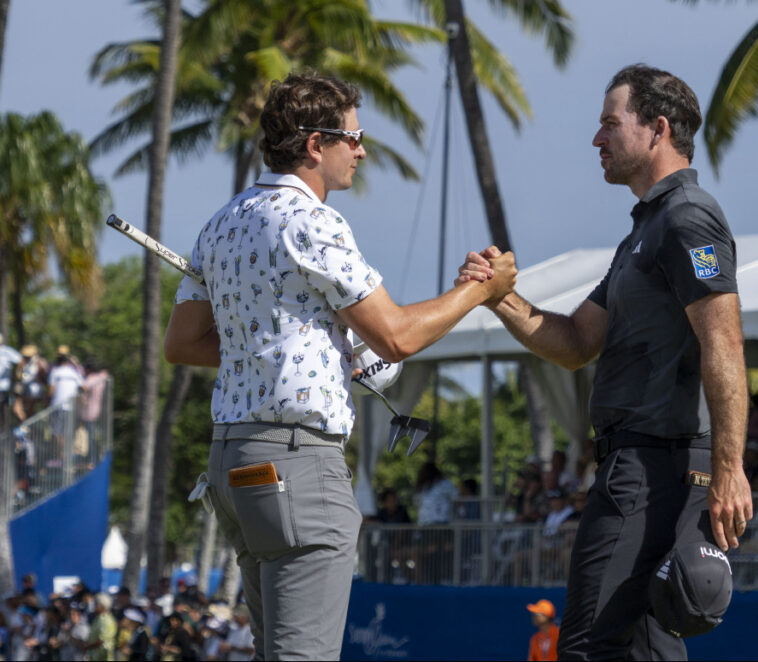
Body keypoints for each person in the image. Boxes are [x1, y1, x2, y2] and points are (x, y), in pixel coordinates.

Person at [162, 72, 515, 661]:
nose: (362, 149)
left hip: (234, 463)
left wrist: (296, 349)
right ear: (313, 145)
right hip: (297, 464)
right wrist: (481, 292)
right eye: (351, 137)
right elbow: (397, 337)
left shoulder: (221, 222)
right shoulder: (313, 222)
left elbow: (183, 342)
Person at [458, 64, 752, 660]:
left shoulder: (687, 216)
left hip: (654, 469)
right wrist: (498, 295)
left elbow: (724, 341)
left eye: (609, 125)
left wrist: (729, 468)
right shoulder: (644, 232)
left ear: (658, 129)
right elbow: (573, 343)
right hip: (643, 465)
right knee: (647, 651)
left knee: (589, 648)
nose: (597, 140)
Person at [0, 333, 21, 425]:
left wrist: (16, 374)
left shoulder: (6, 351)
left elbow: (21, 360)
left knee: (4, 411)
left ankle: (4, 432)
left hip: (3, 387)